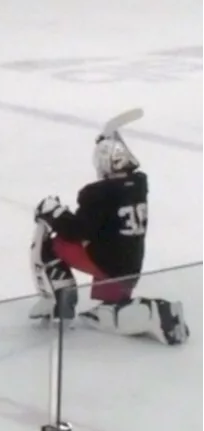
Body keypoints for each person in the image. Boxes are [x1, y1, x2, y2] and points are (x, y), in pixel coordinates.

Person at [30, 132, 188, 345]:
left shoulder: (99, 193)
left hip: (108, 263)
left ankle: (60, 302)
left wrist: (54, 212)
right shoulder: (138, 186)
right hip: (130, 264)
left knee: (52, 245)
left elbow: (76, 230)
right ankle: (142, 311)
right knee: (109, 312)